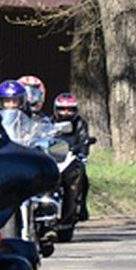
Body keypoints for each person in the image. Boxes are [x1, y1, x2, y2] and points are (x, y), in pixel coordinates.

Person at [52, 92, 93, 224]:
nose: (66, 113)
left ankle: (81, 206)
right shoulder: (48, 122)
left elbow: (84, 140)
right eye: (62, 109)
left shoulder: (80, 123)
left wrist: (82, 151)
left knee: (81, 174)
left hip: (71, 156)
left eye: (70, 110)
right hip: (53, 156)